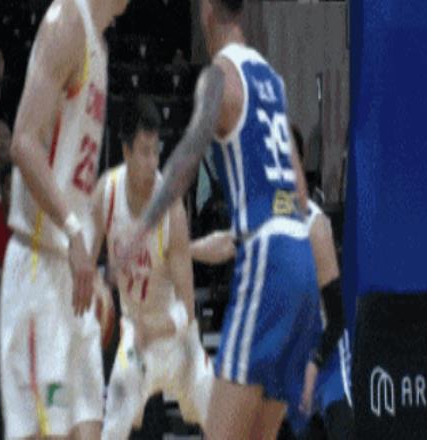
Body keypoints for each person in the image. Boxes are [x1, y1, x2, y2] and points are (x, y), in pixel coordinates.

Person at [120, 1, 338, 438]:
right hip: (298, 260)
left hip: (269, 261)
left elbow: (185, 160)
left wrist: (141, 228)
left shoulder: (219, 76)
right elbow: (298, 192)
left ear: (205, 10)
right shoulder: (272, 81)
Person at [0, 0, 129, 438]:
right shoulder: (67, 21)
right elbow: (23, 141)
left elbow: (77, 177)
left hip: (73, 279)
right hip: (39, 270)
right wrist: (74, 234)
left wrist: (90, 259)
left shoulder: (99, 46)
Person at [93, 98, 213, 440]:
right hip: (136, 342)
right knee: (112, 427)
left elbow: (187, 308)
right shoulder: (107, 194)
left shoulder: (171, 208)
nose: (152, 162)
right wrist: (98, 287)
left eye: (156, 152)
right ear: (126, 151)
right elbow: (85, 262)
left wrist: (154, 326)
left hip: (178, 342)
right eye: (144, 152)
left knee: (222, 425)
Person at [190, 200, 353, 440]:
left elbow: (335, 316)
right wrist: (183, 250)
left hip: (323, 353)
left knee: (341, 425)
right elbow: (225, 243)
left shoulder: (312, 223)